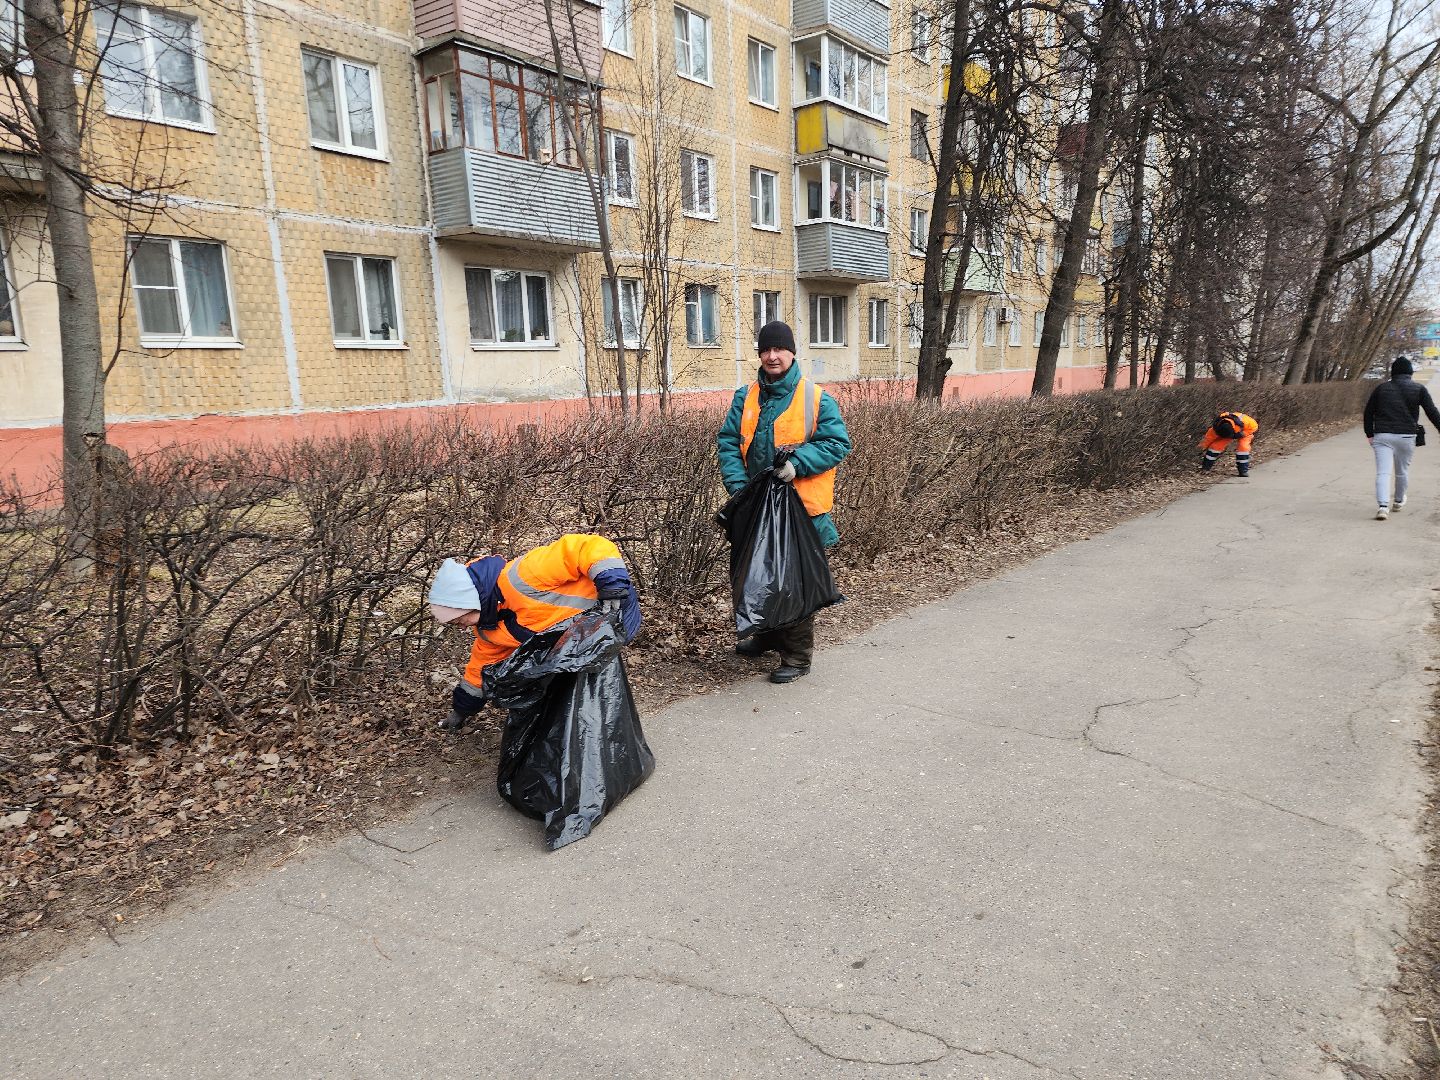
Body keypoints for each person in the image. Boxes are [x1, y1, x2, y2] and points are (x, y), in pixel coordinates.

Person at [716, 319, 852, 684]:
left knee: (793, 583)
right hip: (754, 505)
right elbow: (729, 442)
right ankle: (764, 635)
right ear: (760, 354)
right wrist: (739, 487)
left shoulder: (816, 398)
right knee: (754, 574)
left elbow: (838, 444)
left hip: (800, 509)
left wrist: (798, 464)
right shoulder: (745, 396)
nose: (773, 356)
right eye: (766, 349)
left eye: (779, 349)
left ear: (792, 353)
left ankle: (796, 655)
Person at [426, 534, 641, 730]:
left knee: (589, 692)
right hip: (576, 643)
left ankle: (600, 738)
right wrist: (461, 711)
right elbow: (479, 670)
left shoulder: (523, 576)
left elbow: (588, 547)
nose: (462, 626)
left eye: (458, 620)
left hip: (613, 611)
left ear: (467, 603)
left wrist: (612, 585)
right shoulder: (488, 630)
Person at [1363, 355, 1440, 520]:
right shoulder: (1419, 389)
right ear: (1410, 372)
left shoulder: (1381, 388)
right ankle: (1398, 501)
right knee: (1402, 472)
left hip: (1382, 436)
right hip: (1406, 436)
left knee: (1383, 473)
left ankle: (1383, 507)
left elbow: (1368, 412)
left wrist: (1369, 434)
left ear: (1393, 373)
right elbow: (1432, 412)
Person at [1199, 411, 1260, 477]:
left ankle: (1243, 471)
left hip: (1245, 431)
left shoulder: (1244, 421)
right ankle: (1205, 468)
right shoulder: (1215, 428)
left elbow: (1254, 427)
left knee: (1243, 447)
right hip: (1228, 432)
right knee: (1215, 447)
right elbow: (1208, 439)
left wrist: (1242, 434)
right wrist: (1201, 448)